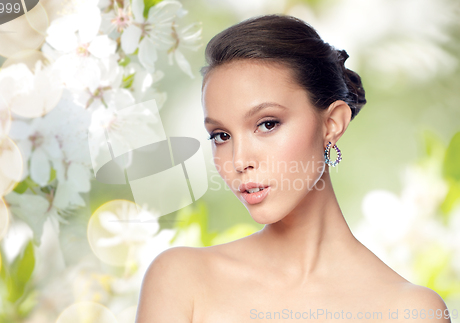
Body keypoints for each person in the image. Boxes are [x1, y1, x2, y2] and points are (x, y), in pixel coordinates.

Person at [135, 14, 451, 323]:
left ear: (331, 123)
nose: (239, 160)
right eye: (221, 136)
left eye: (267, 124)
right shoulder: (182, 280)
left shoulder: (410, 311)